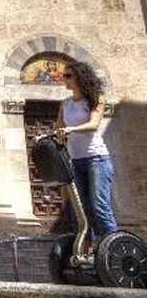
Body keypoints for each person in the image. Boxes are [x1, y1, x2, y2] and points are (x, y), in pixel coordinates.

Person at [56, 61, 117, 241]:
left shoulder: (95, 100)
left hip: (97, 159)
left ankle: (112, 246)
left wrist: (70, 130)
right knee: (82, 210)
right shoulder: (65, 104)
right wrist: (45, 137)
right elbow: (59, 128)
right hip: (76, 161)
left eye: (68, 76)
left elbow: (93, 124)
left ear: (80, 78)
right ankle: (88, 250)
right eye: (63, 76)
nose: (64, 79)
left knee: (99, 205)